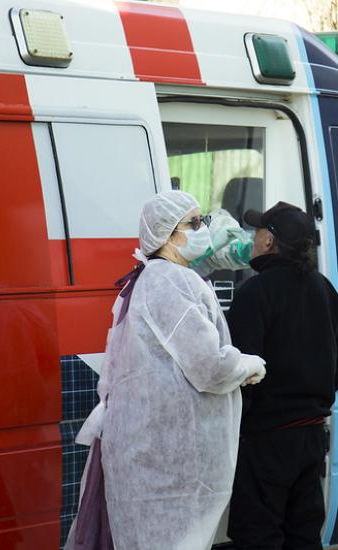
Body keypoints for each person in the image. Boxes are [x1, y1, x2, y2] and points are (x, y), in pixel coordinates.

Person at [65, 190, 267, 550]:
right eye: (193, 223)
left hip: (146, 453)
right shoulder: (171, 281)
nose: (203, 229)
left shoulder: (149, 279)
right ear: (168, 234)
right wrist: (248, 364)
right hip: (166, 465)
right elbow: (210, 367)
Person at [225, 202, 338, 550]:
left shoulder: (254, 294)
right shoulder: (324, 289)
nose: (253, 235)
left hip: (265, 440)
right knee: (304, 535)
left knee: (258, 535)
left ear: (269, 241)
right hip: (311, 437)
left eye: (258, 229)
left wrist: (247, 417)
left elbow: (238, 370)